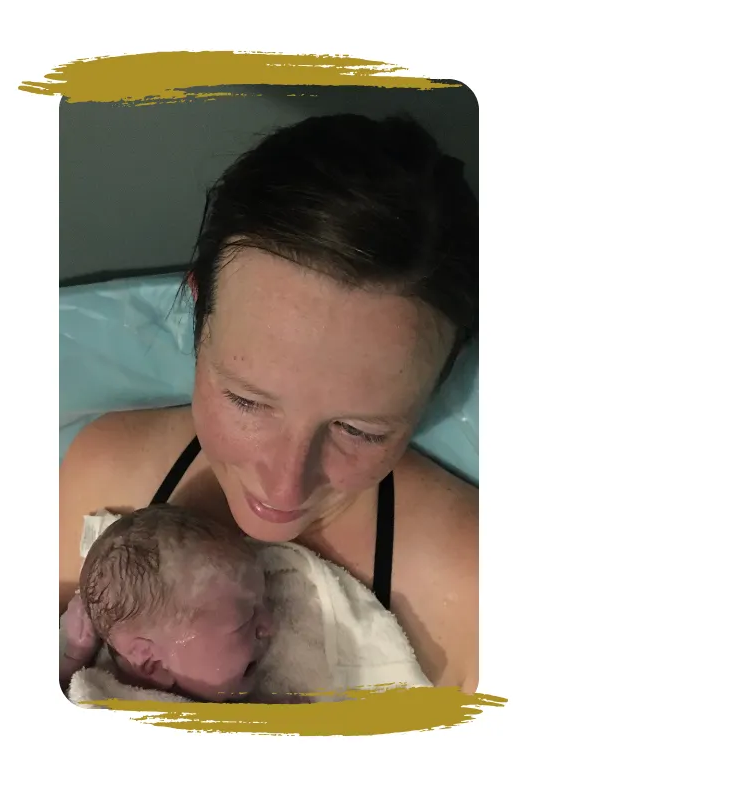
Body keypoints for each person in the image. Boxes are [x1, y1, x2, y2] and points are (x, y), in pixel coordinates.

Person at [59, 112, 479, 692]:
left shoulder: (474, 591)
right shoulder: (104, 474)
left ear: (443, 377)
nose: (283, 491)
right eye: (247, 401)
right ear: (198, 312)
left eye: (360, 430)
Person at [63, 503, 275, 702]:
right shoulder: (100, 697)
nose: (271, 624)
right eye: (243, 622)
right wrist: (73, 658)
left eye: (265, 600)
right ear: (153, 664)